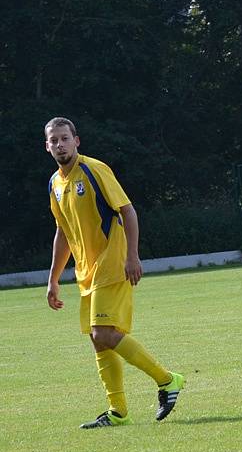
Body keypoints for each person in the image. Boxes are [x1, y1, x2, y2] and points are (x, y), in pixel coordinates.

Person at [45, 117, 185, 428]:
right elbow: (63, 232)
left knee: (103, 333)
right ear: (47, 146)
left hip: (113, 261)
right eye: (54, 140)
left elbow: (127, 210)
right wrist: (53, 279)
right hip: (87, 271)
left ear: (76, 141)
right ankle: (118, 411)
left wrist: (132, 256)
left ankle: (167, 380)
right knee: (99, 340)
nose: (60, 144)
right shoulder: (55, 184)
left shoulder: (94, 169)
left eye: (65, 138)